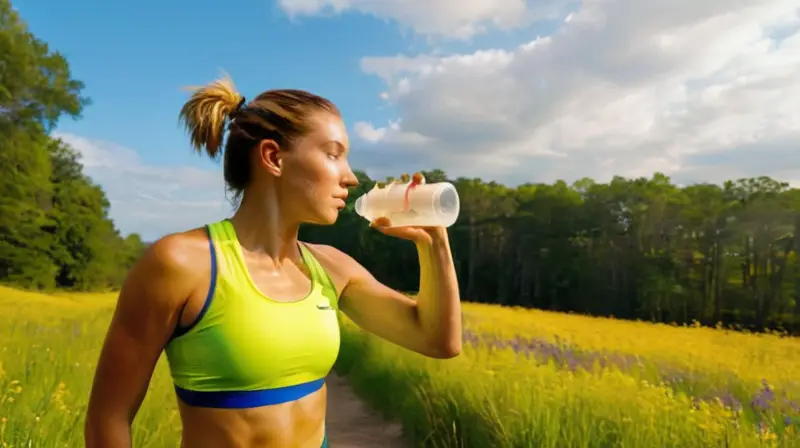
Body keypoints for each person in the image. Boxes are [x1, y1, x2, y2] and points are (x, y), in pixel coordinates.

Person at [83, 76, 462, 448]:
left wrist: (435, 244)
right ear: (273, 157)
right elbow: (108, 418)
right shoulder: (181, 264)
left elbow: (438, 340)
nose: (349, 177)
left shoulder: (331, 267)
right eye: (333, 154)